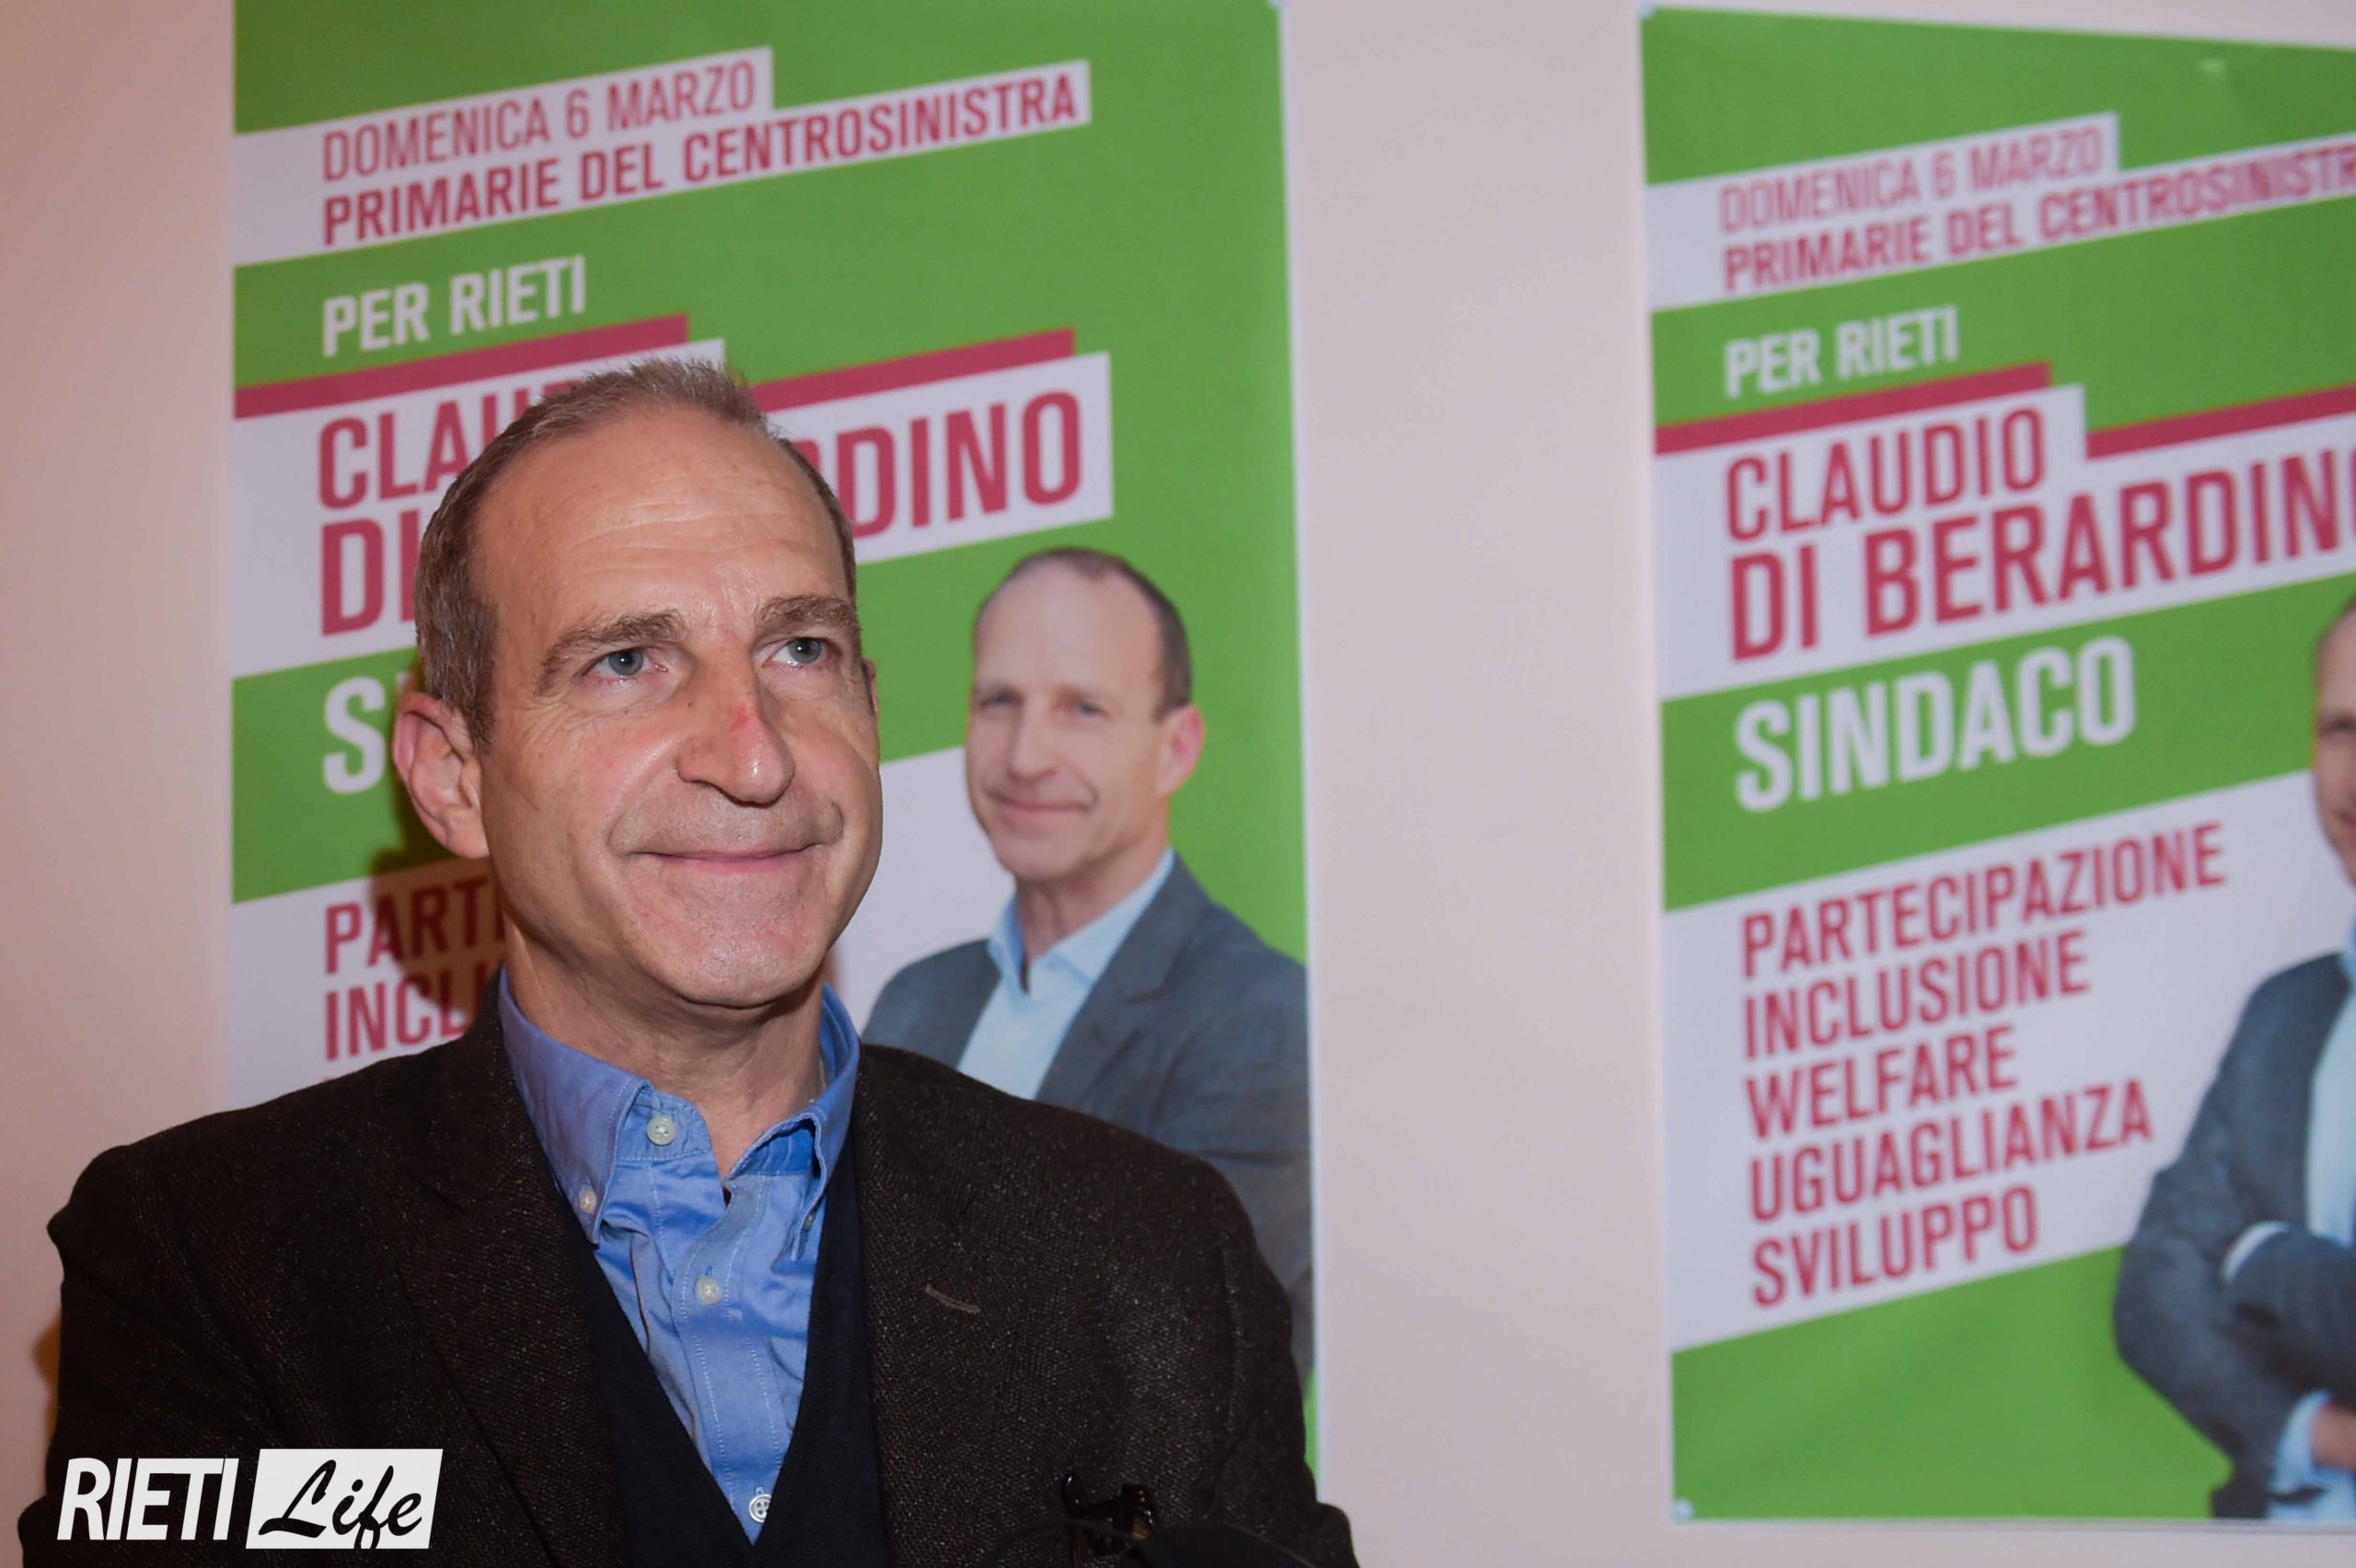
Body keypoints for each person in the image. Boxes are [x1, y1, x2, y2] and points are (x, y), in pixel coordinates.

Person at [21, 363, 1351, 1567]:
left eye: (800, 650)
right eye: (626, 662)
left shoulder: (1153, 1258)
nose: (754, 753)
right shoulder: (213, 1265)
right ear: (453, 776)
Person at [865, 549, 1313, 1380]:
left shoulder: (1263, 1017)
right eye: (999, 701)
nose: (1026, 756)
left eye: (1082, 709)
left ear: (1176, 749)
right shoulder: (915, 1002)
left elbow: (1186, 1365)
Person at [2116, 594, 2356, 1521]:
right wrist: (2321, 1434)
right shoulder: (2286, 1014)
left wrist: (2259, 1261)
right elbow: (2155, 1292)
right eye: (2340, 730)